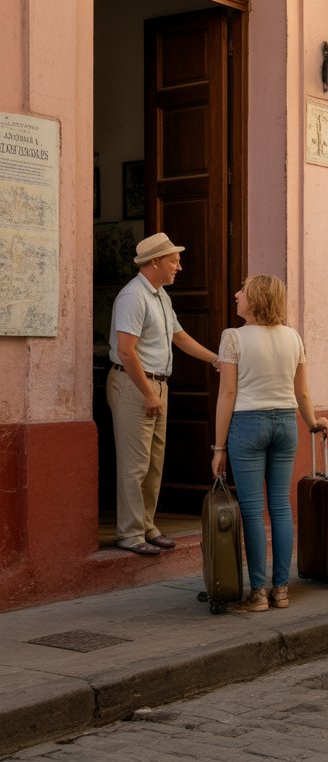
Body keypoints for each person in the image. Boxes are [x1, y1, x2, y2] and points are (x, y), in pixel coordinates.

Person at [211, 274, 327, 612]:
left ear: (256, 298)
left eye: (243, 291)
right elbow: (302, 391)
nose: (236, 295)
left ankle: (258, 594)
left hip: (248, 424)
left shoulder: (233, 338)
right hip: (286, 424)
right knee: (280, 506)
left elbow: (228, 393)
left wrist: (218, 448)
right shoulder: (293, 337)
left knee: (251, 509)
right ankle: (282, 590)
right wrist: (313, 422)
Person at [107, 232, 220, 555]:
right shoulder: (134, 297)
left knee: (153, 462)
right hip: (135, 385)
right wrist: (148, 392)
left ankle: (146, 524)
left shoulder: (159, 296)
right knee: (135, 464)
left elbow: (180, 338)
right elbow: (127, 352)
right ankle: (130, 533)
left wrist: (216, 360)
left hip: (155, 385)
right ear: (155, 262)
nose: (179, 267)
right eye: (174, 260)